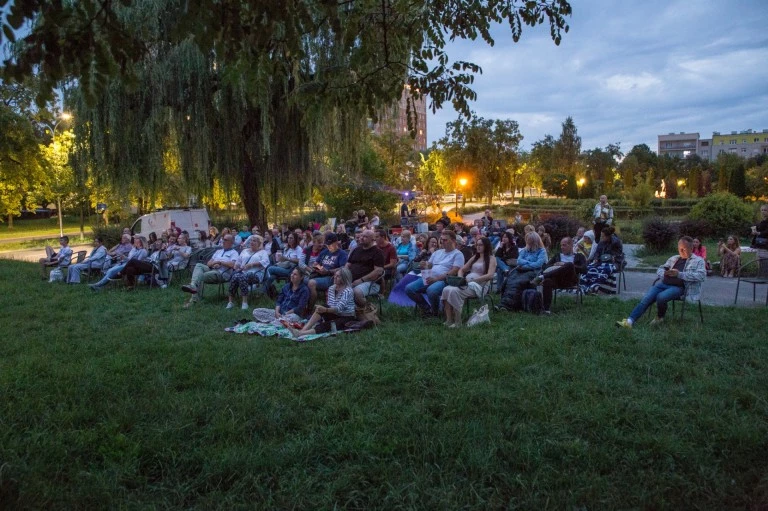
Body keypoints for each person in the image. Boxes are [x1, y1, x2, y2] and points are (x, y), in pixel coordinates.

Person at [616, 236, 706, 328]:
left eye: (684, 249)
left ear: (691, 248)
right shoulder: (674, 258)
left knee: (661, 297)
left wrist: (679, 274)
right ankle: (629, 321)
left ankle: (660, 317)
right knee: (646, 298)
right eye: (680, 249)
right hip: (664, 284)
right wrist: (664, 273)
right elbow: (660, 268)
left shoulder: (698, 261)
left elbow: (702, 276)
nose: (681, 251)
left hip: (680, 287)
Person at [405, 229, 464, 316]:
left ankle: (435, 312)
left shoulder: (458, 254)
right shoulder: (437, 252)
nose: (443, 242)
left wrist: (436, 279)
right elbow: (429, 265)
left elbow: (454, 271)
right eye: (441, 240)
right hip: (430, 277)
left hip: (445, 280)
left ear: (453, 241)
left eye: (445, 240)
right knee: (409, 289)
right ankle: (427, 309)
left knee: (431, 290)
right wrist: (424, 265)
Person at [441, 236, 496, 327]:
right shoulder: (475, 257)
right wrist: (460, 279)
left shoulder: (491, 259)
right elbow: (461, 270)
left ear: (486, 246)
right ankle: (449, 319)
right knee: (446, 289)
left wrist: (475, 280)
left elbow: (490, 275)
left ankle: (458, 321)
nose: (478, 247)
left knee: (454, 291)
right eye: (477, 245)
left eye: (481, 245)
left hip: (480, 285)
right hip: (467, 283)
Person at [287, 268, 357, 337]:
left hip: (346, 316)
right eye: (335, 275)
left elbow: (339, 308)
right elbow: (330, 305)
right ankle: (303, 330)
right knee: (322, 307)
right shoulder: (331, 288)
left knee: (328, 324)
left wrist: (325, 310)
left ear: (344, 278)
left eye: (338, 276)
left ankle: (301, 334)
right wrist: (323, 309)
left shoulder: (348, 291)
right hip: (334, 313)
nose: (334, 277)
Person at [181, 234, 239, 308]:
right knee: (199, 265)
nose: (223, 241)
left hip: (222, 274)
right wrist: (214, 263)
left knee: (199, 276)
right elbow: (208, 263)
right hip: (212, 269)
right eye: (223, 239)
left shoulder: (234, 253)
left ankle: (194, 300)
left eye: (225, 240)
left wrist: (220, 263)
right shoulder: (218, 251)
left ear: (231, 242)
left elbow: (233, 265)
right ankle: (193, 286)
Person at [497, 232, 547, 311]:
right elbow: (519, 261)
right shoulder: (525, 250)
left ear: (535, 241)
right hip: (521, 269)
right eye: (527, 240)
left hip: (532, 271)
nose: (528, 242)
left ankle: (507, 305)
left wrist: (525, 263)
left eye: (530, 240)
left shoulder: (542, 251)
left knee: (518, 282)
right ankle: (505, 303)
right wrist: (529, 263)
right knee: (510, 280)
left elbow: (538, 264)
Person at [540, 237, 587, 314]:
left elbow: (584, 269)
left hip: (570, 280)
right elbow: (545, 267)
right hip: (556, 280)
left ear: (571, 245)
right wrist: (554, 264)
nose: (562, 247)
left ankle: (542, 277)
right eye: (561, 245)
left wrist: (565, 265)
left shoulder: (579, 256)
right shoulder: (557, 256)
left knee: (569, 265)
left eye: (564, 245)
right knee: (547, 281)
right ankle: (546, 310)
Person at [226, 235, 270, 310]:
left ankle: (244, 302)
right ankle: (230, 302)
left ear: (259, 243)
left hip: (256, 274)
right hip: (242, 272)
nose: (251, 242)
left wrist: (251, 265)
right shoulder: (244, 251)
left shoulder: (263, 252)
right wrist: (237, 268)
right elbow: (238, 263)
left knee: (240, 276)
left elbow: (266, 262)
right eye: (251, 240)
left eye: (254, 241)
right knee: (236, 276)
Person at [307, 232, 348, 310]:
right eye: (327, 245)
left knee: (311, 283)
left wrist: (328, 271)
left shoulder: (342, 254)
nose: (329, 246)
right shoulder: (325, 252)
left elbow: (343, 268)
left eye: (331, 244)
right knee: (300, 279)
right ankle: (300, 306)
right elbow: (315, 263)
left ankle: (309, 309)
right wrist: (319, 268)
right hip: (319, 274)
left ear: (336, 242)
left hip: (332, 277)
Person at [345, 229, 385, 307]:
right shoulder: (356, 249)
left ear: (372, 239)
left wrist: (361, 280)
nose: (361, 238)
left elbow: (378, 271)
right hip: (351, 279)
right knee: (334, 287)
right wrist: (344, 275)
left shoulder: (377, 252)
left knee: (356, 292)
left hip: (370, 282)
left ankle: (367, 310)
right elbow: (348, 264)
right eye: (361, 236)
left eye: (365, 237)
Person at [581, 227, 624, 295]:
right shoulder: (601, 242)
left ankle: (600, 289)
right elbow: (597, 252)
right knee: (589, 268)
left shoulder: (616, 242)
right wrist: (596, 258)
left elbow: (619, 254)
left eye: (603, 236)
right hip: (601, 261)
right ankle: (589, 286)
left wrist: (613, 257)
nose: (601, 237)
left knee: (605, 269)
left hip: (614, 262)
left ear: (608, 236)